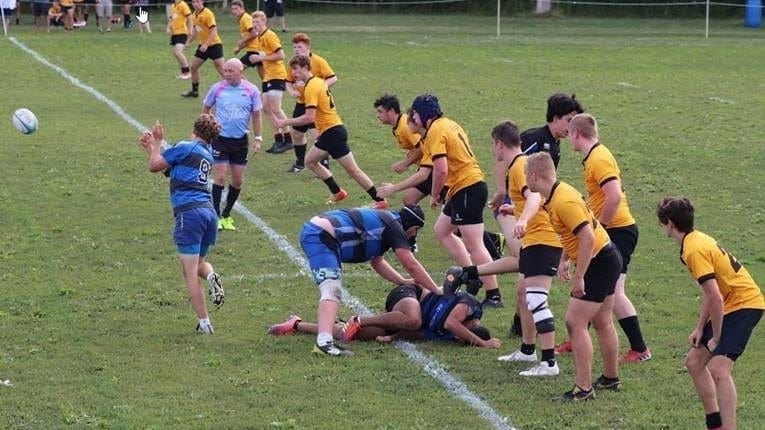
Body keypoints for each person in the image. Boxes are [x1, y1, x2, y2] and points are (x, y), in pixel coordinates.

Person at [447, 120, 563, 376]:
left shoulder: (520, 166)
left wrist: (521, 219)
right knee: (523, 294)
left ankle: (548, 363)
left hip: (542, 239)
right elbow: (532, 198)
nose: (493, 151)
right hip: (535, 240)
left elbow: (534, 196)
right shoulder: (518, 165)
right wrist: (515, 208)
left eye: (492, 145)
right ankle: (527, 349)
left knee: (533, 298)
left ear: (500, 144)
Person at [657, 197, 764, 430]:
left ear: (670, 224)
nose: (662, 227)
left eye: (662, 223)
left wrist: (716, 336)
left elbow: (716, 297)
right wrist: (699, 327)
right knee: (694, 362)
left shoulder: (693, 250)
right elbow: (710, 291)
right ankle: (714, 423)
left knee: (719, 368)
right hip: (730, 303)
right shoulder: (695, 240)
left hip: (745, 304)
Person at [525, 152, 621, 401]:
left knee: (575, 323)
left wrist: (580, 277)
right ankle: (610, 378)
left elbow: (587, 237)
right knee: (603, 321)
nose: (526, 181)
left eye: (527, 176)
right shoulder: (558, 194)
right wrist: (566, 258)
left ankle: (583, 388)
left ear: (534, 175)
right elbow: (575, 233)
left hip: (599, 261)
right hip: (608, 256)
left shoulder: (562, 201)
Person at [296, 204, 442, 356]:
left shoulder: (386, 223)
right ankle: (324, 344)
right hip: (321, 236)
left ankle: (319, 335)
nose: (414, 235)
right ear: (412, 225)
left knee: (332, 289)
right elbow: (410, 264)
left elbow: (377, 262)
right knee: (332, 290)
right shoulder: (393, 226)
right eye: (416, 230)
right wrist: (435, 289)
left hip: (321, 234)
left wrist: (402, 281)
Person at [568, 113, 651, 363]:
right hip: (614, 229)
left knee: (613, 291)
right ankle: (578, 336)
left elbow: (613, 196)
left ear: (575, 134)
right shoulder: (594, 156)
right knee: (601, 288)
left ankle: (640, 349)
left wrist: (598, 227)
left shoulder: (599, 159)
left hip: (618, 231)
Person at [409, 93, 503, 307]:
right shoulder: (450, 124)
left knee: (475, 244)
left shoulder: (434, 132)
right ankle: (472, 277)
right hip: (463, 187)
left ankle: (494, 294)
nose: (412, 118)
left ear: (424, 115)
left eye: (414, 113)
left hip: (468, 188)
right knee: (442, 230)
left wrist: (434, 194)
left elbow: (440, 170)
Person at [138, 114, 225, 335]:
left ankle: (204, 323)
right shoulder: (206, 155)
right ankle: (212, 276)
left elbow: (154, 166)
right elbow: (167, 168)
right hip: (208, 213)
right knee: (199, 265)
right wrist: (151, 147)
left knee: (189, 273)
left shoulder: (186, 146)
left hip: (190, 214)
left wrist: (157, 142)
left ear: (194, 129)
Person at [275, 55, 387, 208]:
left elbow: (309, 117)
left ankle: (380, 200)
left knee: (353, 171)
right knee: (310, 161)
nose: (293, 73)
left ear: (305, 67)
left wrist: (285, 121)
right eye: (292, 69)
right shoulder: (317, 82)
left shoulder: (311, 87)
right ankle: (338, 192)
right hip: (330, 131)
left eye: (296, 69)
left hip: (333, 133)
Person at [270, 284, 500, 349]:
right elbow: (450, 321)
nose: (458, 335)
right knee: (414, 318)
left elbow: (420, 334)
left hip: (407, 319)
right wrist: (483, 344)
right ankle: (359, 319)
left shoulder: (451, 336)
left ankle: (297, 324)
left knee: (350, 335)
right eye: (465, 334)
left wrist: (392, 338)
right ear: (472, 325)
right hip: (410, 293)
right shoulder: (471, 307)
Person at [201, 58, 263, 231]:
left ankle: (226, 215)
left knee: (237, 180)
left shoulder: (251, 90)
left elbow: (257, 115)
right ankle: (214, 215)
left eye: (230, 71)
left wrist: (258, 138)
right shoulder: (217, 88)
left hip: (240, 141)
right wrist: (205, 129)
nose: (226, 74)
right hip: (219, 139)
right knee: (220, 177)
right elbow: (206, 108)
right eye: (225, 70)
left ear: (240, 71)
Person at [285, 32, 337, 173]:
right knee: (296, 133)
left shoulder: (319, 61)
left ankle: (324, 164)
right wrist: (292, 92)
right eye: (294, 47)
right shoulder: (293, 63)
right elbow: (288, 82)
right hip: (302, 103)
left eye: (299, 47)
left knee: (317, 135)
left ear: (307, 47)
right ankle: (300, 163)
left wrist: (319, 87)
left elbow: (333, 78)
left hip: (316, 104)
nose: (296, 50)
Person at [374, 95, 429, 206]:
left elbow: (423, 147)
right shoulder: (398, 126)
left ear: (391, 111)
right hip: (426, 167)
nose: (377, 116)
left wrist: (405, 163)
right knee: (409, 199)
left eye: (380, 112)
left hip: (431, 167)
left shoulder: (405, 126)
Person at [249, 10, 291, 154]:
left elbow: (281, 55)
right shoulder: (260, 37)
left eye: (257, 22)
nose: (255, 25)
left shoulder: (270, 35)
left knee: (276, 108)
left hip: (277, 76)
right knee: (266, 108)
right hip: (268, 76)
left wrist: (261, 59)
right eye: (253, 22)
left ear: (264, 22)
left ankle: (289, 139)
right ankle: (278, 139)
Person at [521, 93, 584, 169]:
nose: (572, 126)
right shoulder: (533, 139)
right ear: (556, 118)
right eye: (569, 120)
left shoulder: (555, 144)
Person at [181, 0, 224, 98]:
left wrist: (206, 44)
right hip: (202, 46)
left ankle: (238, 89)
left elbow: (214, 30)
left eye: (197, 1)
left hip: (214, 45)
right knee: (193, 67)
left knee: (223, 70)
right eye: (193, 2)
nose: (195, 3)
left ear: (202, 2)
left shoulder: (207, 13)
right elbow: (196, 31)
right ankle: (194, 92)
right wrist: (188, 42)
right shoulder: (194, 15)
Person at [230, 0, 262, 80]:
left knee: (235, 69)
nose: (234, 11)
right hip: (258, 49)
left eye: (236, 9)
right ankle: (269, 89)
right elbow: (250, 38)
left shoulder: (245, 18)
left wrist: (242, 41)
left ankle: (249, 89)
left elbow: (254, 33)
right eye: (232, 9)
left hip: (255, 50)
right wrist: (239, 48)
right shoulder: (242, 19)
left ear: (242, 8)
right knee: (264, 77)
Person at [167, 0, 192, 79]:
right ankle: (183, 72)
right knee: (175, 53)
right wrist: (168, 27)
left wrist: (190, 29)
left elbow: (190, 17)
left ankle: (188, 72)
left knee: (178, 52)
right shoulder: (173, 6)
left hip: (182, 32)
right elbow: (171, 18)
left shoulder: (183, 4)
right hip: (175, 33)